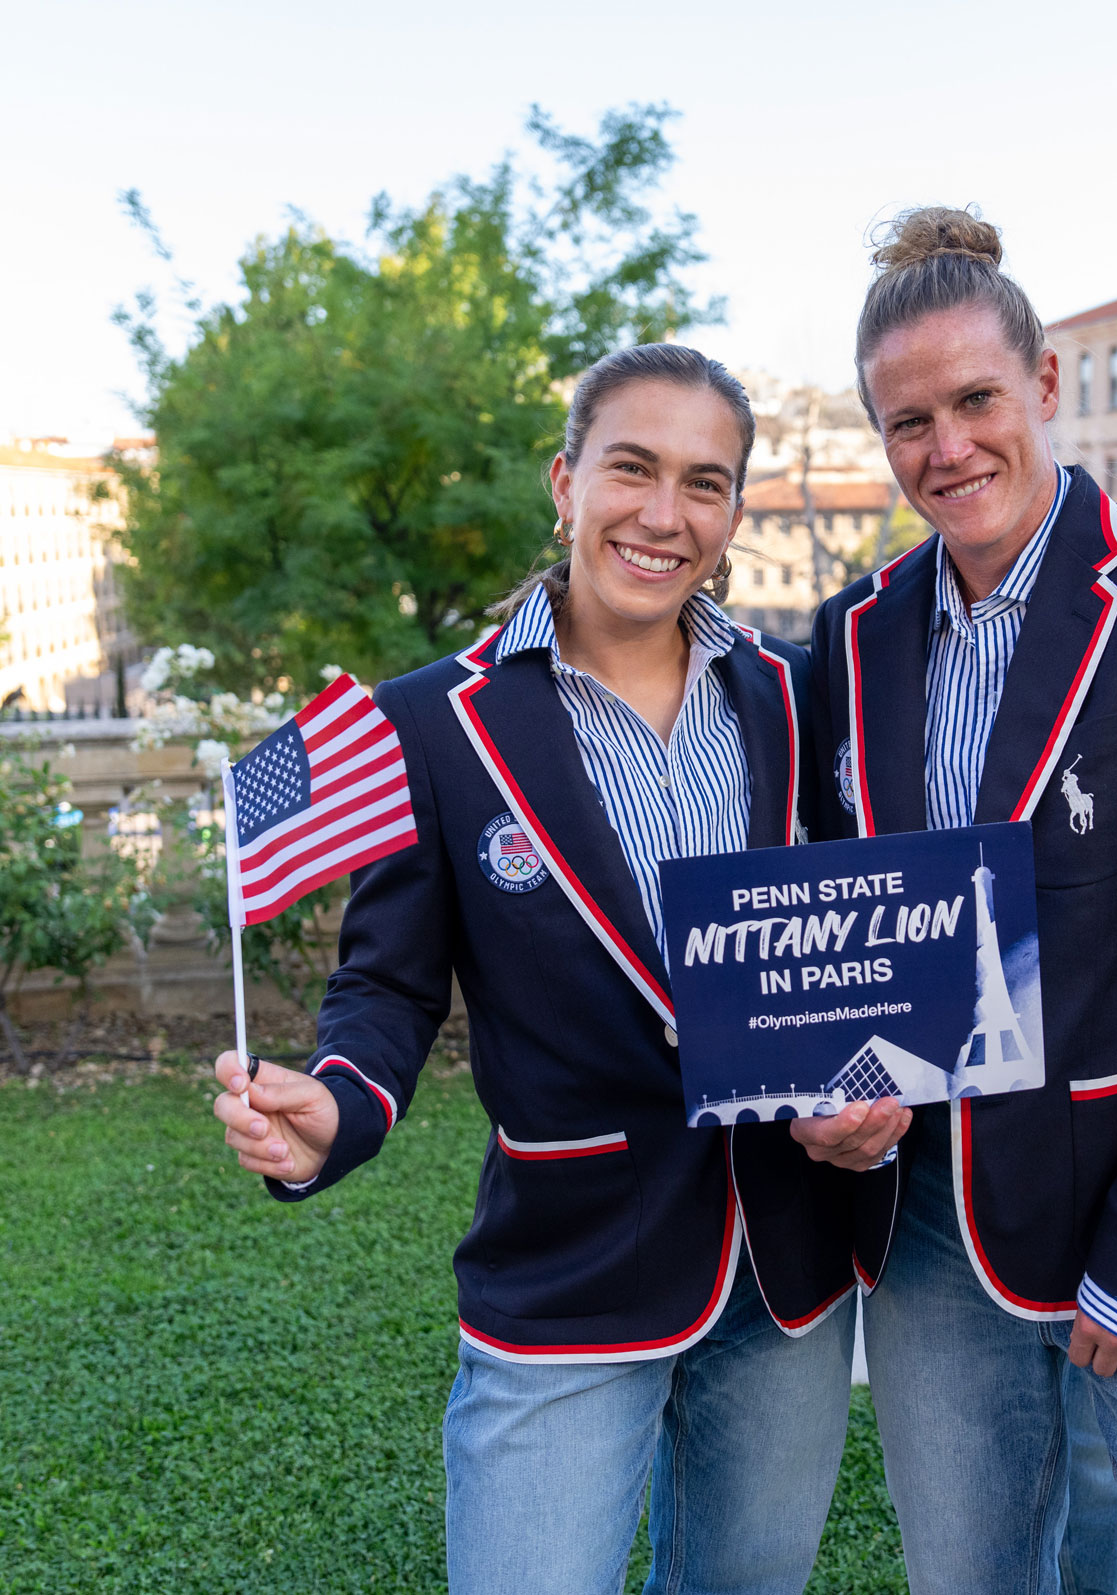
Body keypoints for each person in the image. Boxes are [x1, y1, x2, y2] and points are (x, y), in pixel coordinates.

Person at [210, 343, 909, 1595]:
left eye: (704, 482)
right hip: (570, 1266)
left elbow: (839, 940)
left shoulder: (790, 697)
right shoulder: (433, 722)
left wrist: (870, 1095)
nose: (661, 513)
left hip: (783, 1265)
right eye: (629, 468)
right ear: (564, 479)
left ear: (735, 512)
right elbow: (387, 984)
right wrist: (338, 1105)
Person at [808, 208, 1117, 1594]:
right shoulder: (854, 636)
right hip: (934, 1236)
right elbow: (841, 919)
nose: (948, 445)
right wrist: (831, 1089)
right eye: (908, 420)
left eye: (976, 398)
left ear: (1043, 386)